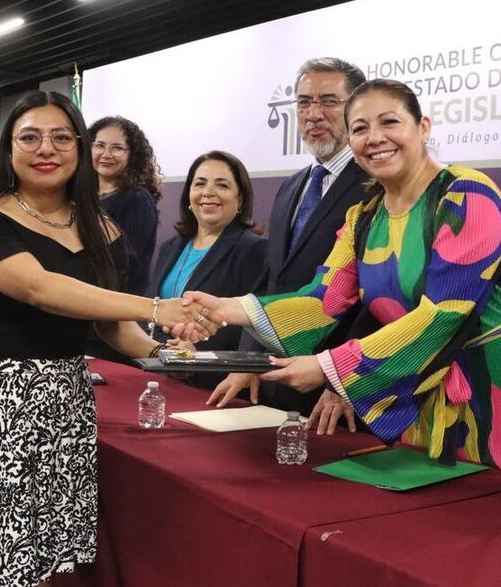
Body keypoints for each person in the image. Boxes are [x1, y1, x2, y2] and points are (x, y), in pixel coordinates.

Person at [0, 91, 220, 586]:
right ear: (9, 149)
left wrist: (167, 346)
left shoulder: (103, 227)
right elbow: (41, 289)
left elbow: (112, 326)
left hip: (61, 403)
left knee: (37, 556)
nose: (47, 148)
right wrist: (156, 307)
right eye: (31, 137)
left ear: (80, 149)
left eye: (62, 137)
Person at [193, 79, 501, 480]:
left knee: (496, 510)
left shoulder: (467, 196)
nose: (375, 139)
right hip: (417, 378)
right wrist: (231, 309)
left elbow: (444, 315)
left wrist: (327, 367)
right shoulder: (363, 217)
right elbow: (323, 301)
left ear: (422, 128)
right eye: (359, 129)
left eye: (389, 122)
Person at [227, 57, 371, 417]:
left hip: (333, 394)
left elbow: (378, 300)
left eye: (328, 101)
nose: (313, 114)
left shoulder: (376, 185)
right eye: (305, 102)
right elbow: (271, 281)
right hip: (274, 382)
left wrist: (345, 381)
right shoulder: (291, 187)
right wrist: (249, 359)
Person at [147, 151, 267, 389]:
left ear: (240, 199)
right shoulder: (171, 247)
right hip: (162, 374)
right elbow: (152, 311)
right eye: (200, 183)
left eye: (221, 185)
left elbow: (254, 327)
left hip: (215, 382)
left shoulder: (254, 249)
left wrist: (196, 355)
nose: (208, 192)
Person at [89, 115, 161, 295]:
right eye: (99, 145)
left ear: (132, 155)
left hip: (116, 306)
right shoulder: (80, 195)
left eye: (117, 148)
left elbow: (125, 265)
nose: (106, 154)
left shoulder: (137, 200)